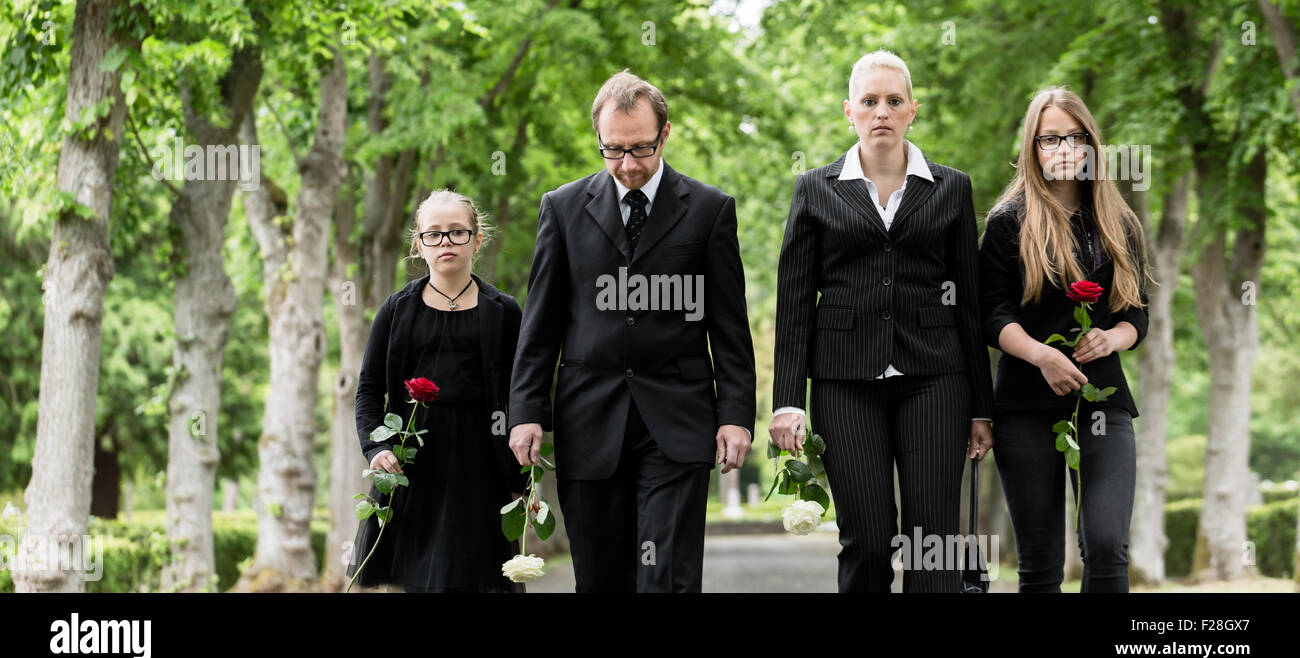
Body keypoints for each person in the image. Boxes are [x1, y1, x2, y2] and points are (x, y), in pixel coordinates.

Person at [508, 70, 757, 592]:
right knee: (600, 578)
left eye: (640, 149)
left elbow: (729, 328)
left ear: (665, 134)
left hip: (678, 420)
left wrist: (736, 416)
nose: (627, 165)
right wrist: (526, 412)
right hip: (588, 419)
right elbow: (541, 324)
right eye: (613, 150)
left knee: (666, 576)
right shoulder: (562, 208)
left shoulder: (711, 211)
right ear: (598, 140)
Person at [770, 50, 995, 593]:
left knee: (931, 543)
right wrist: (786, 400)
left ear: (912, 110)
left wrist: (982, 408)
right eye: (870, 102)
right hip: (844, 382)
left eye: (894, 101)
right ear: (849, 111)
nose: (882, 113)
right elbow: (795, 302)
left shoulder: (952, 188)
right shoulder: (814, 189)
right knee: (867, 540)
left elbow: (969, 302)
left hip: (937, 380)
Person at [978, 86, 1152, 592]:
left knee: (1105, 545)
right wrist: (1042, 356)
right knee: (1039, 561)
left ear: (1092, 145)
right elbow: (992, 315)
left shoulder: (1118, 223)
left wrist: (1112, 338)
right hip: (1025, 407)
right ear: (1033, 146)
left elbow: (1136, 314)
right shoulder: (1008, 224)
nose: (1064, 150)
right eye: (1050, 138)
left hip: (1103, 403)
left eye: (1076, 138)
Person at [348, 189, 526, 593]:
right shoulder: (396, 311)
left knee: (479, 578)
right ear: (419, 245)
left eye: (457, 232)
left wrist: (520, 478)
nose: (445, 242)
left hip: (482, 465)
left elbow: (522, 394)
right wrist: (377, 449)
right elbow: (369, 391)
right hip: (412, 465)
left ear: (477, 240)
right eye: (434, 234)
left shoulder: (504, 311)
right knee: (419, 578)